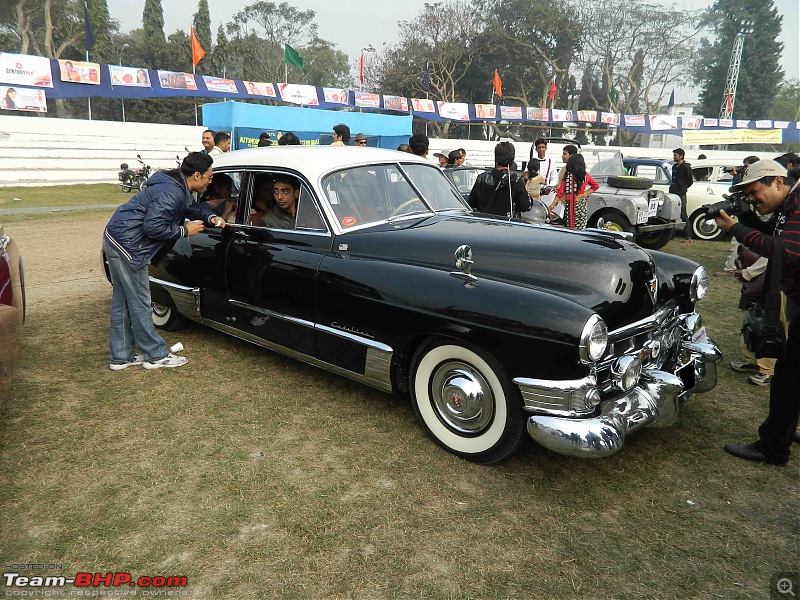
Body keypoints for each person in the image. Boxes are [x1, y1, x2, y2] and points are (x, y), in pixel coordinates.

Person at [103, 152, 226, 370]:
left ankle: (120, 357)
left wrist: (210, 217)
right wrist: (184, 230)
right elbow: (153, 227)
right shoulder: (172, 191)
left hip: (118, 239)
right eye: (209, 176)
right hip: (129, 246)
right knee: (141, 301)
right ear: (197, 175)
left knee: (123, 300)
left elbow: (189, 208)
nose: (210, 181)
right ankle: (155, 355)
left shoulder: (177, 186)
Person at [714, 159, 800, 466]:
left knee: (788, 375)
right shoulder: (788, 205)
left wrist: (737, 228)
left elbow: (784, 251)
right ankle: (785, 432)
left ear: (778, 182)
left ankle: (773, 448)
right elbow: (775, 237)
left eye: (754, 192)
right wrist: (746, 219)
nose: (752, 199)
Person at [467, 141, 531, 217]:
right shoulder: (516, 180)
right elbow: (525, 206)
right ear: (512, 159)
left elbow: (472, 202)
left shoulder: (482, 178)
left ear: (495, 158)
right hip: (508, 224)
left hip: (486, 223)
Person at [550, 154, 599, 230]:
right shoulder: (585, 176)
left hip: (569, 206)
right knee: (580, 229)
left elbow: (560, 193)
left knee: (569, 228)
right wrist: (584, 194)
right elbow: (595, 186)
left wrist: (552, 206)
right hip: (581, 206)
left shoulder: (568, 176)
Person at [530, 138, 559, 215]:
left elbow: (554, 177)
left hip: (547, 194)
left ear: (546, 148)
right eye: (539, 147)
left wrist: (550, 186)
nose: (541, 149)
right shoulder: (532, 161)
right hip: (535, 192)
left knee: (547, 212)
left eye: (543, 147)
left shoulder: (551, 162)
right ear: (536, 149)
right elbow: (528, 175)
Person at [670, 148, 693, 242]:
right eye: (674, 155)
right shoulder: (674, 167)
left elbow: (690, 181)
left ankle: (688, 236)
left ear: (681, 156)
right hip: (673, 191)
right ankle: (671, 235)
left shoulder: (686, 167)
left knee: (683, 214)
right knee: (672, 214)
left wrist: (683, 188)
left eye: (676, 155)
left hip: (681, 193)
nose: (674, 157)